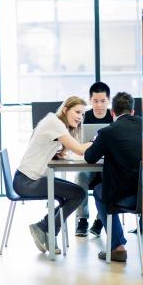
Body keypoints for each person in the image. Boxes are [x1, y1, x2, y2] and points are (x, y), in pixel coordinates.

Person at [13, 96, 92, 254]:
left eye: (83, 114)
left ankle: (44, 229)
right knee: (78, 194)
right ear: (65, 110)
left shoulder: (53, 121)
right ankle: (45, 229)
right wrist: (97, 140)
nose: (80, 117)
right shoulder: (55, 123)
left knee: (76, 193)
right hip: (27, 182)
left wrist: (54, 154)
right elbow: (79, 150)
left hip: (28, 179)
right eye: (77, 112)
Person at [84, 92, 142, 262]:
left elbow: (89, 158)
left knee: (99, 190)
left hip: (123, 198)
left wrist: (95, 142)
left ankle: (118, 247)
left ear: (112, 113)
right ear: (133, 111)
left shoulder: (108, 132)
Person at [75, 81, 113, 237]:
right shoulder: (83, 117)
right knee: (80, 176)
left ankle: (100, 220)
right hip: (89, 163)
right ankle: (82, 220)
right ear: (90, 100)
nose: (99, 105)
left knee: (110, 179)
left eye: (103, 101)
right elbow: (77, 143)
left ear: (108, 100)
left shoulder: (113, 117)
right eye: (95, 101)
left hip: (108, 165)